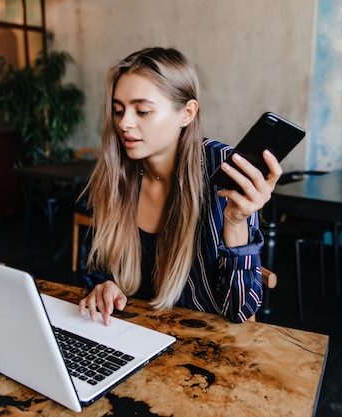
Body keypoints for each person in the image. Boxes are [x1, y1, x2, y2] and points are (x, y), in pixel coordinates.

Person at [78, 46, 282, 326]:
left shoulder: (222, 170)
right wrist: (104, 285)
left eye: (143, 111)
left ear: (187, 113)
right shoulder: (116, 173)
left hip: (202, 346)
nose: (124, 123)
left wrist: (236, 222)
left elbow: (240, 311)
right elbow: (96, 263)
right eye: (118, 110)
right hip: (132, 333)